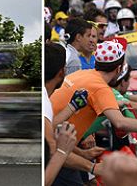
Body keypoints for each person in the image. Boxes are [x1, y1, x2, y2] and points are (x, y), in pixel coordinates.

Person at [49, 40, 137, 186]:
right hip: (53, 148)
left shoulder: (82, 75)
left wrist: (83, 154)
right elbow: (121, 122)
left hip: (57, 142)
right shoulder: (100, 88)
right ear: (119, 68)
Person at [44, 42, 91, 186]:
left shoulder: (47, 97)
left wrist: (72, 106)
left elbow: (50, 128)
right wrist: (93, 167)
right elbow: (54, 151)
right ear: (62, 72)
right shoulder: (44, 102)